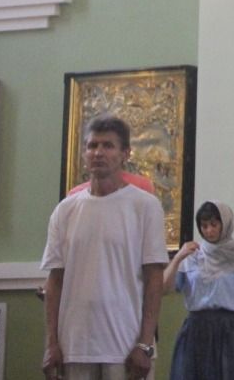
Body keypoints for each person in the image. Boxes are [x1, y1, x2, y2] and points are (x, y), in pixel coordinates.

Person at [40, 114, 167, 380]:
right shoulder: (65, 211)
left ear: (125, 154)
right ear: (84, 153)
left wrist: (145, 344)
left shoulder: (145, 206)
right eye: (92, 145)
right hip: (75, 346)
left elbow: (154, 279)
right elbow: (55, 280)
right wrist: (52, 343)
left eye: (108, 146)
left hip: (126, 347)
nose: (98, 152)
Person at [164, 200, 234, 378]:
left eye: (214, 225)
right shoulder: (192, 255)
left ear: (225, 224)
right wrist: (178, 257)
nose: (209, 230)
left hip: (227, 331)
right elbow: (165, 288)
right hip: (195, 330)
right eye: (204, 226)